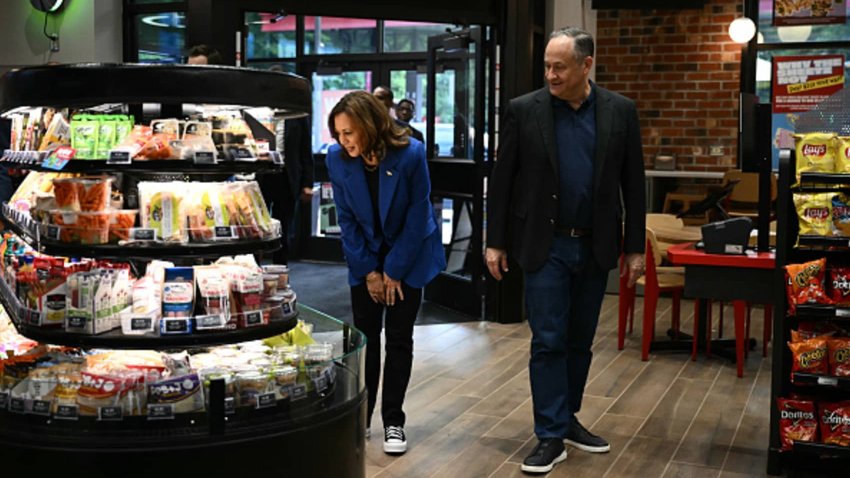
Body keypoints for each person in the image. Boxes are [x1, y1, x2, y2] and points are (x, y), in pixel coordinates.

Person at [485, 27, 646, 474]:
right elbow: (502, 180)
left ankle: (566, 417)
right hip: (544, 245)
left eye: (560, 67)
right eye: (547, 67)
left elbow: (633, 183)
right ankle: (550, 435)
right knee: (548, 340)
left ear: (586, 65)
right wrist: (494, 240)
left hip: (595, 245)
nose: (551, 75)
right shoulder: (524, 110)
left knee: (579, 341)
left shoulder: (620, 112)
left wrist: (634, 248)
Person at [326, 91, 445, 455]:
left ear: (368, 125)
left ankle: (394, 421)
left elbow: (418, 213)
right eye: (338, 134)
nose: (343, 141)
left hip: (409, 258)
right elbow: (345, 219)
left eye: (349, 133)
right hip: (365, 262)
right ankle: (360, 419)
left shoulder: (410, 153)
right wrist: (369, 272)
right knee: (364, 340)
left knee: (398, 339)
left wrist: (393, 269)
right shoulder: (336, 158)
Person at [258, 115, 314, 264]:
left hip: (286, 176)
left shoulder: (296, 116)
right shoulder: (259, 113)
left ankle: (281, 275)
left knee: (283, 230)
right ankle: (253, 272)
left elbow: (305, 150)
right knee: (257, 228)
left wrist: (307, 183)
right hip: (261, 174)